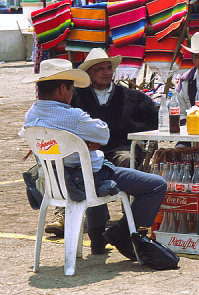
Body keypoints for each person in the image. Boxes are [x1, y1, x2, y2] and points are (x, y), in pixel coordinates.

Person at [22, 59, 167, 259]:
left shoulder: (31, 115)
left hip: (55, 180)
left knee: (94, 168)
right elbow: (103, 134)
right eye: (71, 88)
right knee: (155, 185)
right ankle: (121, 232)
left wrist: (75, 140)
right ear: (63, 88)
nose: (73, 93)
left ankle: (98, 237)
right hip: (82, 177)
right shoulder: (72, 116)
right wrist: (82, 138)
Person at [44, 48, 159, 236]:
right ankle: (63, 214)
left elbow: (154, 121)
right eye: (100, 69)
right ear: (89, 73)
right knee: (68, 165)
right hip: (84, 151)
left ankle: (128, 217)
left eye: (109, 68)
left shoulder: (131, 97)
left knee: (125, 158)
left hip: (118, 149)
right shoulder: (76, 96)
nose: (106, 73)